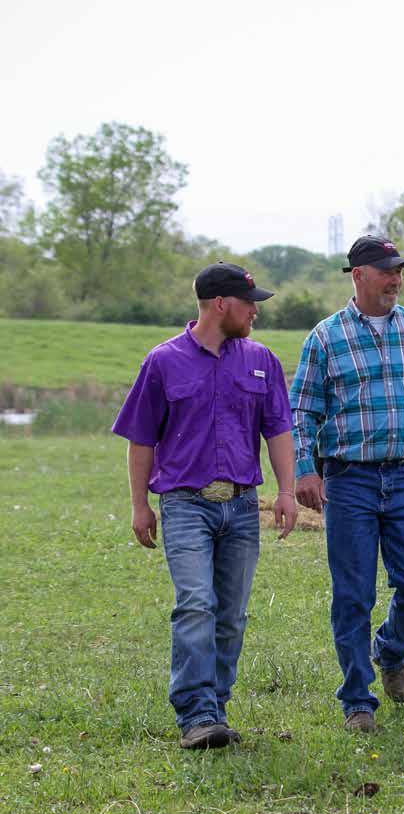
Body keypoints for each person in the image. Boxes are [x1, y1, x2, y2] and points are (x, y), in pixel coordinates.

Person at [112, 262, 297, 749]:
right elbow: (141, 438)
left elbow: (278, 429)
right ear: (220, 304)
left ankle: (215, 707)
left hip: (242, 507)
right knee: (196, 605)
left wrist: (285, 491)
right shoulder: (163, 361)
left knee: (231, 615)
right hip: (185, 505)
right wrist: (139, 504)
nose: (255, 311)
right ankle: (196, 715)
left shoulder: (261, 360)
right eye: (249, 302)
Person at [290, 235, 404, 732]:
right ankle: (357, 700)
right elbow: (302, 410)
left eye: (400, 271)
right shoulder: (326, 338)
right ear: (358, 275)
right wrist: (305, 467)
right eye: (387, 271)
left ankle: (389, 650)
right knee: (353, 593)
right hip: (349, 479)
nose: (396, 279)